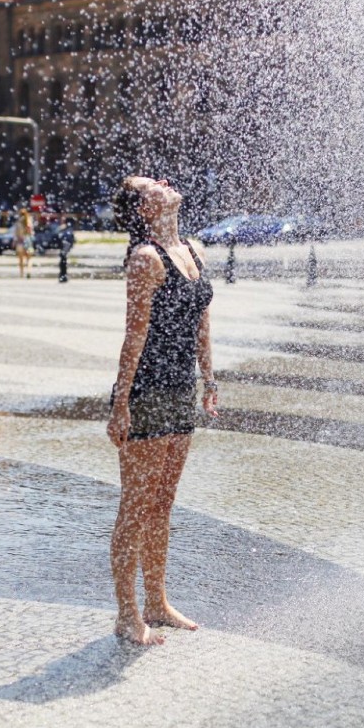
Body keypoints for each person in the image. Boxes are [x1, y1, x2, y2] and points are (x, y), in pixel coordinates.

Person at [107, 176, 218, 646]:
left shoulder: (193, 250)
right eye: (149, 184)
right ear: (144, 208)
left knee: (162, 504)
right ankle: (128, 615)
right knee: (135, 506)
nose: (163, 182)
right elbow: (134, 336)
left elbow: (202, 322)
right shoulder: (144, 259)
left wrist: (209, 381)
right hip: (148, 394)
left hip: (180, 391)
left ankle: (157, 601)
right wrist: (120, 405)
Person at [15, 207, 34, 278]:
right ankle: (29, 271)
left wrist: (14, 241)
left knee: (21, 259)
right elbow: (31, 233)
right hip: (28, 242)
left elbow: (16, 234)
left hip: (20, 242)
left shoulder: (18, 222)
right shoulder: (29, 221)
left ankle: (21, 273)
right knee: (29, 258)